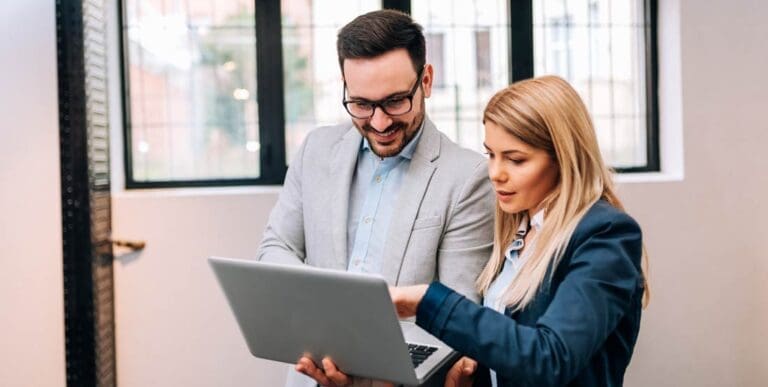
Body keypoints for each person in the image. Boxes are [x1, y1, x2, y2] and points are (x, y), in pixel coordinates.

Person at [256, 9, 495, 387]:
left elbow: (459, 311)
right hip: (312, 374)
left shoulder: (467, 177)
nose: (380, 123)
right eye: (362, 104)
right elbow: (276, 246)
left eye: (396, 101)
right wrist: (325, 319)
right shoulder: (315, 150)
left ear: (426, 81)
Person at [382, 75, 650, 387]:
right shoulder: (517, 229)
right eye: (490, 154)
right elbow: (508, 343)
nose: (495, 174)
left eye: (516, 159)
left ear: (563, 158)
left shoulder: (604, 235)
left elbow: (550, 359)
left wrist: (427, 300)